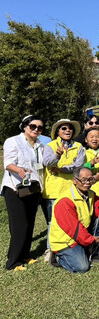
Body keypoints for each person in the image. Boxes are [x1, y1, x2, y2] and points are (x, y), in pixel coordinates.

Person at [49, 167, 99, 273]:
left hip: (81, 234)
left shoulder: (91, 194)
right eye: (84, 180)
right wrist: (91, 240)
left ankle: (95, 252)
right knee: (82, 267)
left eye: (90, 179)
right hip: (66, 241)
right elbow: (74, 229)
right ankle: (57, 257)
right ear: (75, 180)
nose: (88, 183)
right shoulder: (65, 201)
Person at [2, 116, 45, 271]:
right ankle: (13, 262)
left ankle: (25, 255)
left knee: (29, 224)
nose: (36, 129)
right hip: (15, 189)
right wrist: (18, 170)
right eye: (33, 126)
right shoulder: (13, 141)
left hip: (32, 189)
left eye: (40, 127)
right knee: (19, 225)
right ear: (25, 126)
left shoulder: (40, 145)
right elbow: (8, 163)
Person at [43, 119, 85, 261]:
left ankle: (72, 244)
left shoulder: (79, 146)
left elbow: (78, 166)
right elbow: (47, 162)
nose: (67, 131)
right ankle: (50, 249)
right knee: (52, 221)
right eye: (64, 128)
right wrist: (57, 156)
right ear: (58, 132)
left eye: (70, 129)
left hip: (72, 189)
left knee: (73, 218)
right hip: (54, 189)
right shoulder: (50, 146)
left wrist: (61, 169)